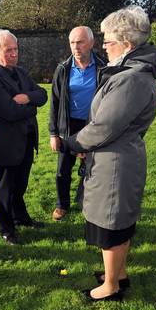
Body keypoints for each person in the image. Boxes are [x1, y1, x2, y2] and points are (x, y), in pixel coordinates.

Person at [61, 6, 156, 301]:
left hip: (115, 162)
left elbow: (104, 126)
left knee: (112, 225)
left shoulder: (131, 77)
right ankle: (118, 273)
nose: (103, 46)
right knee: (116, 222)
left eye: (107, 40)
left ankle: (111, 287)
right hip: (114, 156)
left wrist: (73, 143)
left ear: (127, 45)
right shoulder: (131, 71)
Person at [0, 29, 48, 245]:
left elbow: (43, 95)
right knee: (5, 188)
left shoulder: (21, 72)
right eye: (7, 50)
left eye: (15, 49)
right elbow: (9, 112)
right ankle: (6, 229)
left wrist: (26, 97)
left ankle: (20, 216)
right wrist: (32, 106)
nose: (13, 54)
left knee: (21, 184)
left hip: (26, 139)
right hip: (6, 144)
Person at [49, 26, 108, 221]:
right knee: (63, 169)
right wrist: (53, 133)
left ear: (91, 43)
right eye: (73, 42)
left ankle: (86, 201)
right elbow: (55, 103)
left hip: (93, 124)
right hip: (69, 125)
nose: (76, 46)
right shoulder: (63, 69)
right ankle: (61, 205)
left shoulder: (103, 67)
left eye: (81, 42)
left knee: (92, 166)